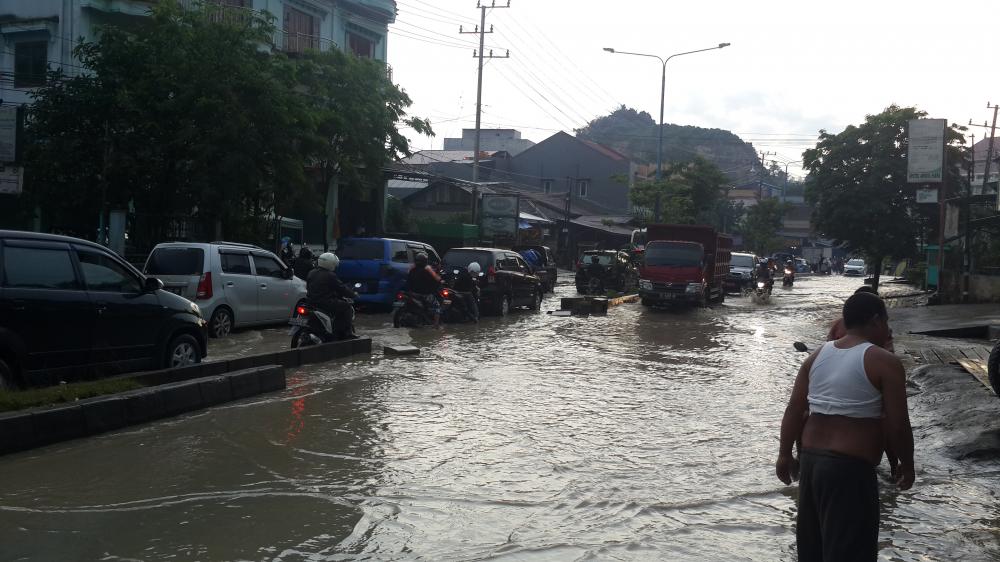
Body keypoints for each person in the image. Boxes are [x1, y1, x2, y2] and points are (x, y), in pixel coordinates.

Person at [776, 292, 915, 562]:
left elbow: (794, 409)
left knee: (813, 551)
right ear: (876, 321)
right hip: (849, 470)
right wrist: (907, 465)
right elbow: (898, 424)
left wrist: (784, 454)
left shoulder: (817, 355)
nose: (888, 330)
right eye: (887, 322)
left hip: (811, 464)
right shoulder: (885, 361)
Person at [305, 252, 357, 338]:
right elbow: (341, 288)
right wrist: (353, 294)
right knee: (347, 307)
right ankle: (346, 333)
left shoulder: (312, 272)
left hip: (310, 302)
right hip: (324, 302)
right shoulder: (330, 275)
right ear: (330, 264)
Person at [406, 252, 443, 327]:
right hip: (424, 294)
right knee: (437, 306)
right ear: (425, 261)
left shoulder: (412, 270)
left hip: (412, 293)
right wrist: (439, 283)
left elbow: (408, 280)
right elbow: (434, 281)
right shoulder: (426, 271)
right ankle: (436, 325)